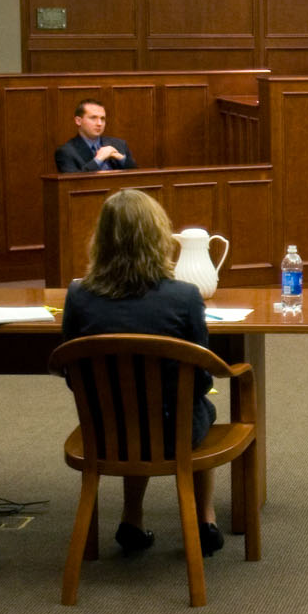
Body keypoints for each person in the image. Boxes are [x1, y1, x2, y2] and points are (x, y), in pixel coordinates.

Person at [59, 189, 224, 558]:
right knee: (196, 409)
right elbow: (202, 379)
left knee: (132, 411)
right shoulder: (184, 297)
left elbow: (72, 375)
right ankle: (203, 519)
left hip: (105, 432)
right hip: (174, 432)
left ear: (101, 240)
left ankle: (132, 518)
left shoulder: (78, 296)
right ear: (158, 238)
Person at [55, 99, 138, 172]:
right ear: (78, 121)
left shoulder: (119, 144)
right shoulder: (66, 152)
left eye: (102, 119)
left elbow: (136, 178)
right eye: (93, 118)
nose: (99, 123)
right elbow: (72, 184)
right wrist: (98, 159)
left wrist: (121, 158)